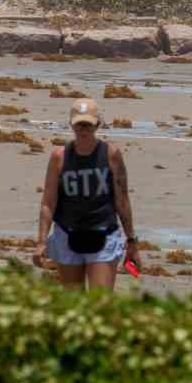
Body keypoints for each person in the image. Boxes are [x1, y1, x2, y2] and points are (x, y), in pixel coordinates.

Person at [32, 98, 140, 290]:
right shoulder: (59, 157)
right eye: (78, 125)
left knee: (100, 303)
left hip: (103, 234)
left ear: (97, 124)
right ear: (71, 125)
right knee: (73, 303)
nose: (83, 131)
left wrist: (131, 241)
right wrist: (41, 242)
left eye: (88, 126)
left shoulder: (111, 154)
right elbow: (48, 202)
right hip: (67, 235)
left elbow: (122, 200)